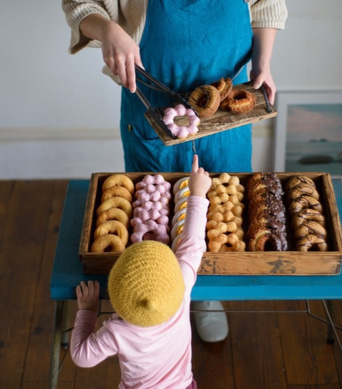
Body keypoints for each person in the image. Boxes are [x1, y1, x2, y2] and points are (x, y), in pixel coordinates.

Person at [62, 0, 288, 342]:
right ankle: (154, 294)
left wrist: (264, 63)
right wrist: (107, 29)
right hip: (153, 102)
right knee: (155, 213)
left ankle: (204, 294)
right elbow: (80, 3)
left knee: (224, 209)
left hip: (228, 104)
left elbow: (268, 4)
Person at [71, 155, 211, 388]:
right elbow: (192, 244)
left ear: (116, 291)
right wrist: (197, 193)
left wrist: (87, 311)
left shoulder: (116, 332)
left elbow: (81, 357)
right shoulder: (181, 289)